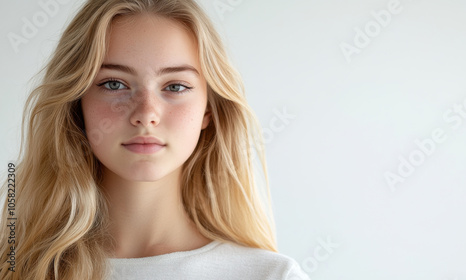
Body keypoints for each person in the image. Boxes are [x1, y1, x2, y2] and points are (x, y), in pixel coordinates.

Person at [0, 0, 311, 279]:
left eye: (175, 86)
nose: (146, 114)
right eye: (114, 84)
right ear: (76, 105)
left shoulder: (271, 276)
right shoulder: (15, 267)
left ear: (209, 110)